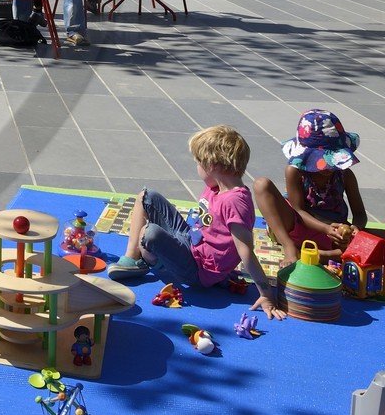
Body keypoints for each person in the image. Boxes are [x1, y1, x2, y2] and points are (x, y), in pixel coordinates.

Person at [107, 125, 286, 323]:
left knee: (149, 233)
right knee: (147, 196)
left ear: (212, 165)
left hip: (199, 272)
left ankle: (155, 261)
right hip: (192, 244)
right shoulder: (217, 187)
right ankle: (133, 259)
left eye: (198, 163)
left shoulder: (235, 202)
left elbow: (246, 252)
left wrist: (266, 294)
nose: (197, 168)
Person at [252, 109, 369, 268]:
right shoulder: (295, 172)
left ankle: (323, 255)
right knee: (261, 185)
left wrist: (356, 228)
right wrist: (325, 228)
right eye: (323, 163)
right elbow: (299, 210)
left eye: (332, 163)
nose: (328, 168)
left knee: (376, 243)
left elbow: (360, 213)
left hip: (330, 235)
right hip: (297, 226)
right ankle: (290, 247)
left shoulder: (345, 175)